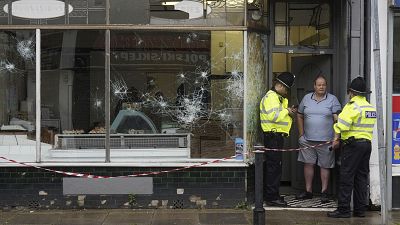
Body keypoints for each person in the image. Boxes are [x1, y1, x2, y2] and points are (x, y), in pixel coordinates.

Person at [327, 77, 376, 218]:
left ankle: (343, 210)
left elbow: (342, 126)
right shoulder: (369, 107)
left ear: (351, 92)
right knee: (361, 177)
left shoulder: (352, 106)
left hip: (353, 146)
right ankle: (360, 210)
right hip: (366, 145)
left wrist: (336, 138)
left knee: (346, 176)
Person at [295, 74, 341, 203]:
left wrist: (336, 138)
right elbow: (299, 115)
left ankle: (324, 193)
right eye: (319, 84)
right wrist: (301, 134)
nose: (321, 87)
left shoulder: (333, 99)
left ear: (326, 86)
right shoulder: (306, 99)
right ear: (314, 86)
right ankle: (308, 191)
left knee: (324, 166)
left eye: (323, 84)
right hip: (307, 140)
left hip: (326, 141)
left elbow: (337, 120)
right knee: (308, 164)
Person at [259, 72, 297, 207]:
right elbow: (274, 117)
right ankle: (271, 197)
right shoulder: (271, 97)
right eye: (286, 88)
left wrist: (288, 111)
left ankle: (273, 194)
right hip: (272, 137)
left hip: (276, 137)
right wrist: (287, 111)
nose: (286, 91)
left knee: (275, 168)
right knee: (273, 168)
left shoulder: (278, 98)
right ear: (279, 85)